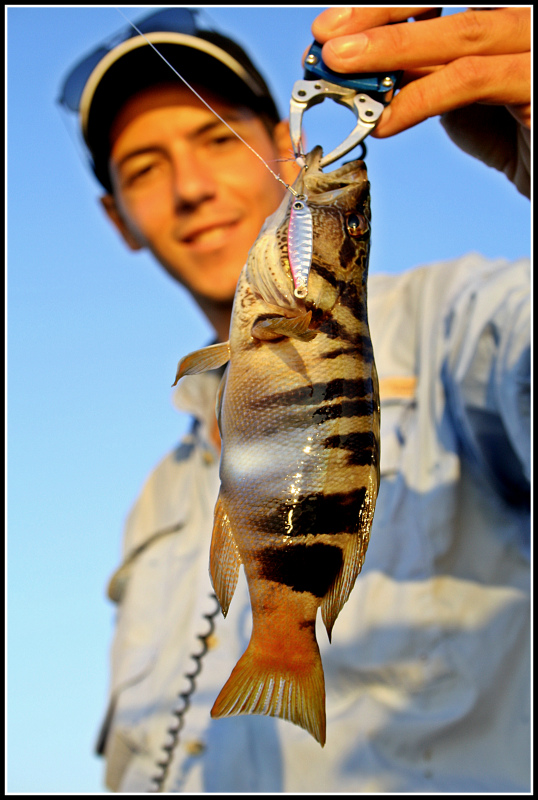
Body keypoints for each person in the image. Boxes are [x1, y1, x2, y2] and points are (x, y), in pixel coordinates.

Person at [58, 6, 530, 793]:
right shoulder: (152, 509)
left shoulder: (463, 328)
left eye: (217, 137)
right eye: (143, 168)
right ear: (119, 220)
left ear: (287, 142)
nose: (191, 189)